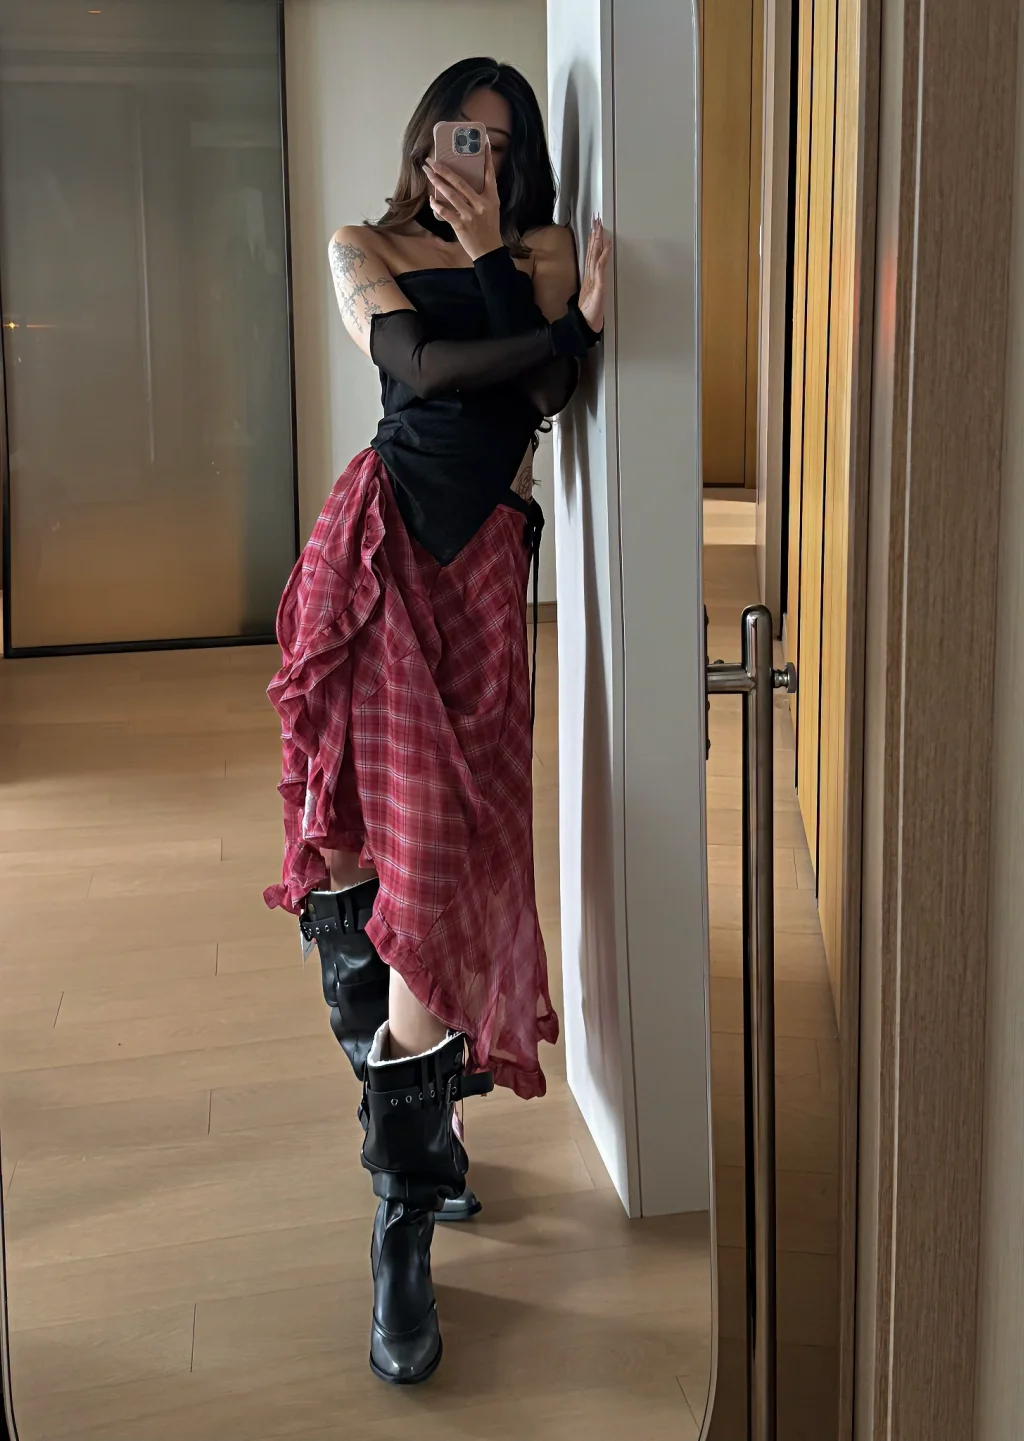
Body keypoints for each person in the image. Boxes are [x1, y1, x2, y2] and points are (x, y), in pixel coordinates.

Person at [263, 57, 611, 1386]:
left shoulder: (540, 255)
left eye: (504, 144)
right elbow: (424, 364)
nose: (480, 157)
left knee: (439, 875)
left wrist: (518, 290)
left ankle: (400, 1208)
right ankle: (412, 1161)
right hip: (374, 559)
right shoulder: (363, 247)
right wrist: (557, 332)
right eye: (464, 134)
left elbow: (548, 403)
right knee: (354, 862)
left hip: (478, 586)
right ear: (425, 139)